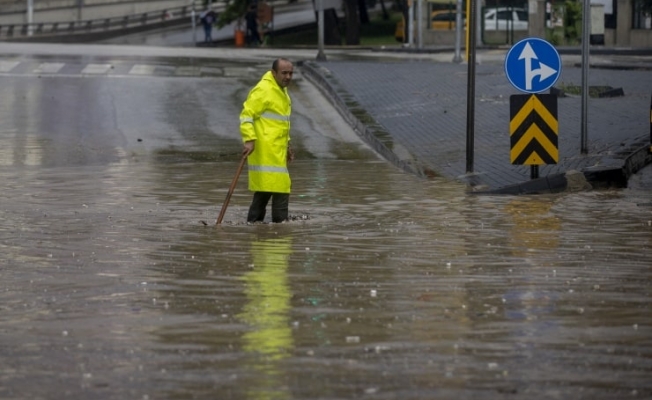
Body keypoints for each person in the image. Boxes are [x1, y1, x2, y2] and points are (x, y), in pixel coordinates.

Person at [240, 58, 295, 223]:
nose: (288, 77)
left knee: (265, 190)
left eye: (291, 73)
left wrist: (287, 146)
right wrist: (249, 139)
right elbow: (246, 115)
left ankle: (255, 227)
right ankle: (280, 230)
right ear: (273, 73)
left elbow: (281, 123)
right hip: (265, 151)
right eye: (284, 73)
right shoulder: (264, 90)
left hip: (275, 151)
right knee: (281, 187)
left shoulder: (280, 90)